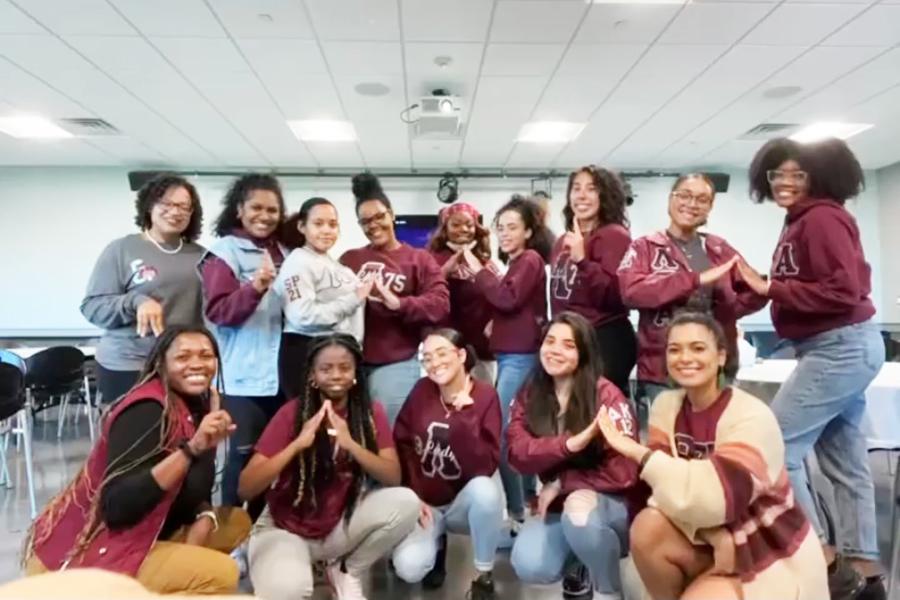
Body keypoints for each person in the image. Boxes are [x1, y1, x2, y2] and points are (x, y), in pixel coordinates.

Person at [737, 137, 885, 600]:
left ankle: (819, 554)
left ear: (818, 177)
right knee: (844, 463)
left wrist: (772, 288)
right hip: (837, 345)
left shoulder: (821, 217)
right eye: (777, 174)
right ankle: (866, 572)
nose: (784, 182)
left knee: (775, 448)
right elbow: (812, 284)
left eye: (796, 174)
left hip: (837, 346)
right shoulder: (802, 220)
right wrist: (762, 287)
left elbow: (844, 291)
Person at [597, 312, 828, 600]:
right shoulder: (666, 407)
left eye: (697, 348)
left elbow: (719, 499)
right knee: (647, 527)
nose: (685, 358)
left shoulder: (752, 415)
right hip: (705, 533)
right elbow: (660, 492)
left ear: (720, 356)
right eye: (674, 349)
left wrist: (638, 453)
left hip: (764, 541)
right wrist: (713, 536)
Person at [22, 326, 251, 595]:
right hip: (93, 548)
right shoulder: (146, 409)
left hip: (149, 528)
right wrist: (193, 449)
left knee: (236, 522)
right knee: (222, 573)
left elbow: (194, 488)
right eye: (183, 357)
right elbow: (118, 507)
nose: (197, 364)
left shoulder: (194, 407)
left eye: (206, 355)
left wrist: (204, 515)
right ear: (161, 364)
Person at [238, 334, 419, 600]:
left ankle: (346, 570)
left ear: (356, 372)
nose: (336, 375)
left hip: (337, 523)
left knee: (406, 501)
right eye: (326, 369)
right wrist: (297, 445)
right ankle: (266, 556)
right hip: (284, 529)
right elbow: (245, 488)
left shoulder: (370, 413)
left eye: (345, 367)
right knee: (289, 591)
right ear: (312, 375)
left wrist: (351, 444)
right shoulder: (292, 413)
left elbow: (392, 477)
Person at [507, 312, 640, 600]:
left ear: (584, 352)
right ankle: (582, 561)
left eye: (568, 345)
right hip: (561, 504)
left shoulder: (607, 396)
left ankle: (609, 591)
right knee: (529, 563)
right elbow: (516, 453)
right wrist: (568, 445)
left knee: (578, 515)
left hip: (612, 502)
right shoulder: (531, 392)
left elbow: (626, 472)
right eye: (550, 341)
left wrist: (562, 483)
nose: (555, 350)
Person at [617, 173, 767, 409]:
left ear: (709, 208)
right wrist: (693, 280)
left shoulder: (718, 248)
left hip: (713, 365)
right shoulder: (644, 247)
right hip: (663, 368)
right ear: (670, 200)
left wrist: (727, 314)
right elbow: (631, 292)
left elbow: (752, 290)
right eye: (684, 195)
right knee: (667, 439)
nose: (692, 204)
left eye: (702, 199)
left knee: (715, 437)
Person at [459, 195, 553, 524]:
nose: (505, 234)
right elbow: (514, 304)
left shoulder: (528, 259)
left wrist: (479, 271)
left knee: (499, 437)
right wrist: (496, 324)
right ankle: (527, 502)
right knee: (519, 431)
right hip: (513, 356)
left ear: (529, 231)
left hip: (520, 359)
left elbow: (506, 297)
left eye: (513, 227)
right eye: (501, 228)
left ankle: (515, 514)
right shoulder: (519, 262)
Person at [200, 173, 288, 516]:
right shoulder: (223, 253)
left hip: (283, 379)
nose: (264, 216)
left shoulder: (284, 251)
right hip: (244, 380)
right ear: (239, 210)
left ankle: (263, 531)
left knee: (274, 461)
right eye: (256, 208)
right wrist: (255, 287)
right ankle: (232, 538)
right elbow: (219, 312)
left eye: (272, 210)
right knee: (241, 461)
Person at [391, 329, 503, 599]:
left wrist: (465, 419)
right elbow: (402, 441)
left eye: (442, 353)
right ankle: (436, 544)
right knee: (409, 567)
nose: (434, 363)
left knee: (486, 491)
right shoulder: (422, 390)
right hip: (425, 502)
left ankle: (483, 575)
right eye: (427, 358)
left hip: (462, 502)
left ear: (461, 355)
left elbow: (484, 466)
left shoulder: (485, 396)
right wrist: (413, 495)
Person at [81, 174, 205, 404]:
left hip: (181, 364)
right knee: (136, 434)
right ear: (149, 207)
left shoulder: (201, 256)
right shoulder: (122, 249)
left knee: (182, 435)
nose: (175, 211)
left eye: (183, 206)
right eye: (166, 204)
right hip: (129, 362)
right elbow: (92, 307)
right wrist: (136, 301)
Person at [340, 172, 450, 424]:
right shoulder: (349, 259)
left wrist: (399, 304)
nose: (374, 225)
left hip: (395, 363)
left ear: (391, 214)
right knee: (355, 435)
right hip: (350, 363)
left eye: (379, 216)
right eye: (365, 221)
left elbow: (440, 304)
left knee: (390, 437)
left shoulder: (419, 259)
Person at [550, 165, 636, 396]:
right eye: (576, 188)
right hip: (571, 339)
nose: (581, 195)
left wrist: (582, 260)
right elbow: (560, 298)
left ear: (605, 196)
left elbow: (616, 296)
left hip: (604, 339)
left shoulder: (614, 236)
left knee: (599, 415)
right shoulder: (561, 242)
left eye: (591, 189)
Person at [273, 196, 370, 399]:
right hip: (307, 353)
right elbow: (302, 316)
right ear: (302, 226)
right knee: (312, 424)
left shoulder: (337, 266)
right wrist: (353, 299)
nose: (326, 230)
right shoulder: (297, 262)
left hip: (341, 352)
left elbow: (356, 305)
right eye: (318, 224)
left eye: (332, 224)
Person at [426, 203, 498, 382]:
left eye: (469, 224)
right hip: (449, 346)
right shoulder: (431, 259)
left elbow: (499, 295)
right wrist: (445, 271)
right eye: (456, 224)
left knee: (483, 399)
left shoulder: (484, 260)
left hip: (483, 349)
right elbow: (426, 296)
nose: (463, 229)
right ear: (445, 228)